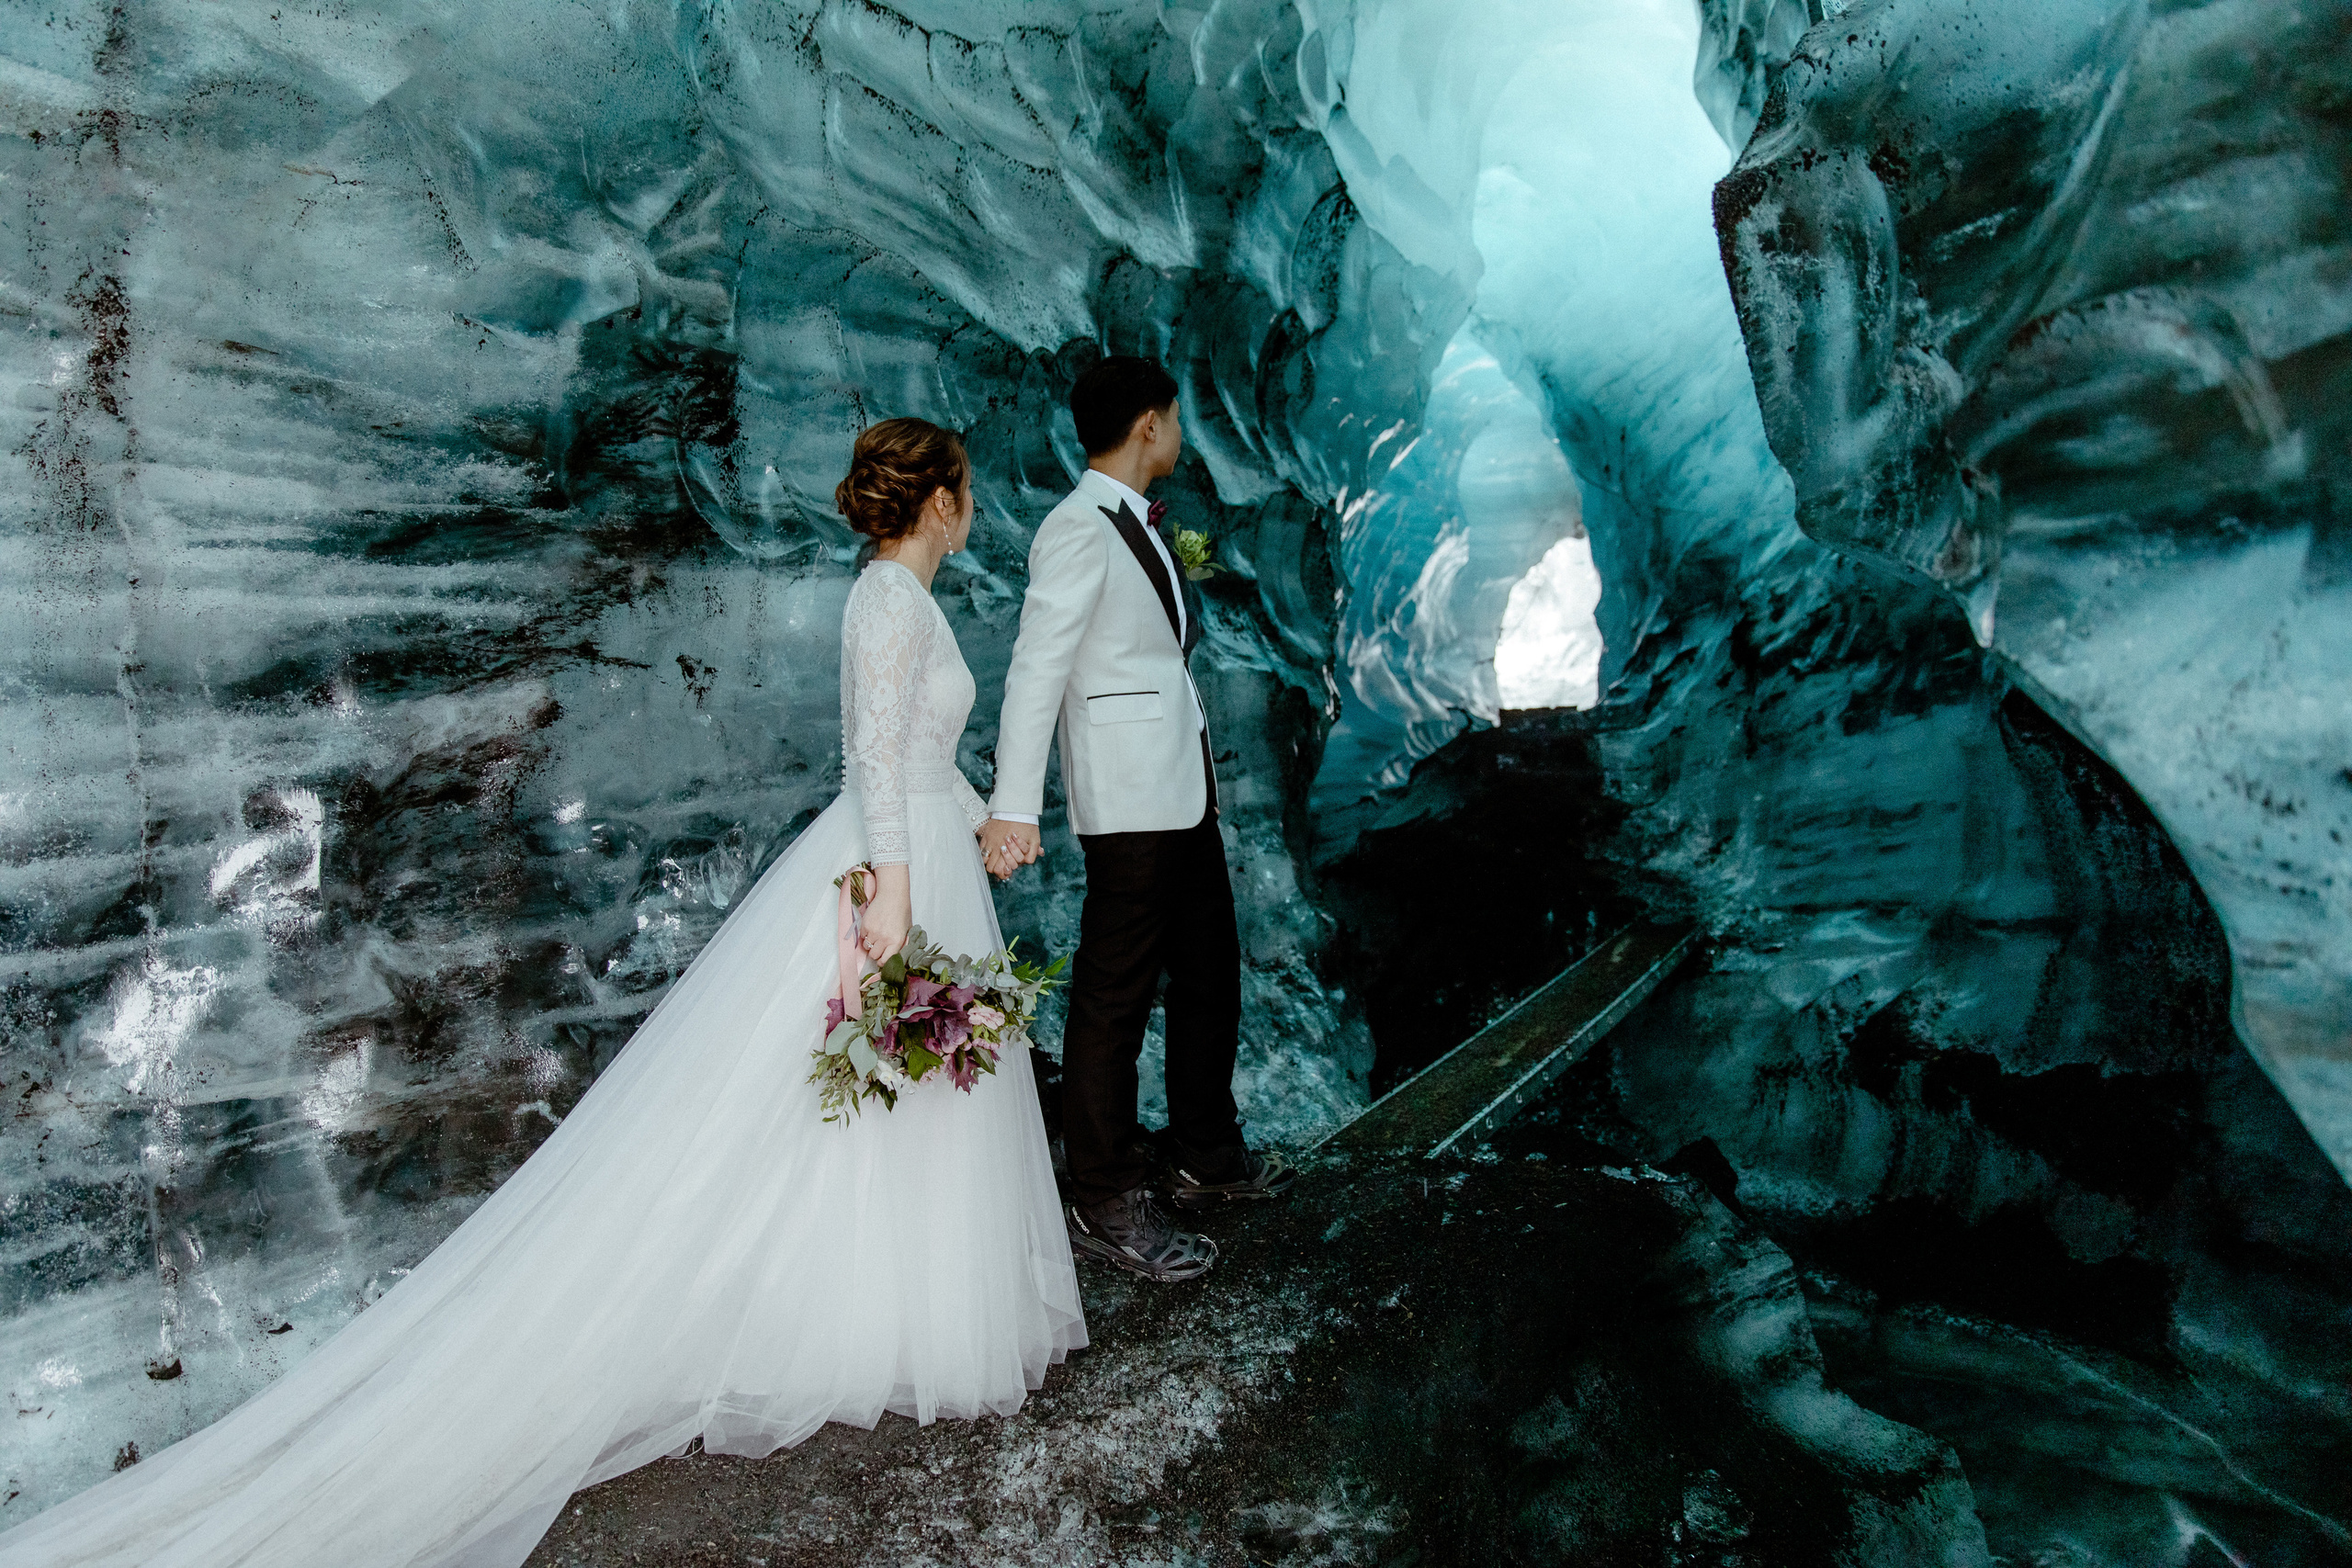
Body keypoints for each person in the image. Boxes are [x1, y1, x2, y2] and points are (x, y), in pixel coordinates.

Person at [0, 418, 1085, 1568]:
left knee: (900, 1091)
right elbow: (870, 761)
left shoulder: (906, 602)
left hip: (923, 851)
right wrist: (890, 901)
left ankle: (895, 1305)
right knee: (851, 1087)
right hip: (890, 870)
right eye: (966, 493)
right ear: (942, 503)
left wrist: (983, 823)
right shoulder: (886, 601)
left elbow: (914, 753)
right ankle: (845, 1315)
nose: (972, 512)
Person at [979, 356, 1296, 1285]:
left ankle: (1205, 1151)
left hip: (1176, 788)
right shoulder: (1077, 529)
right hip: (1128, 802)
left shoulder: (1135, 524)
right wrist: (1011, 804)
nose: (1182, 434)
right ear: (1149, 426)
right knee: (1114, 995)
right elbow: (1036, 669)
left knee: (1207, 968)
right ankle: (1104, 1193)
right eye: (1176, 419)